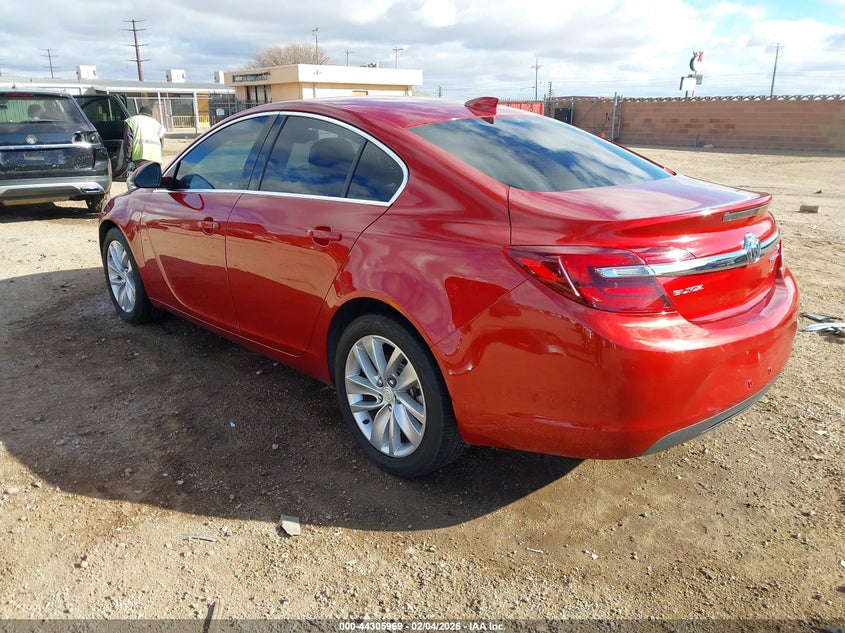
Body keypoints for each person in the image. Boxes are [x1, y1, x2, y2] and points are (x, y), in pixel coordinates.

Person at [123, 106, 167, 175]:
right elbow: (161, 144)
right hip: (155, 159)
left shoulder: (132, 121)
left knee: (139, 182)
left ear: (140, 113)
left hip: (140, 158)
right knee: (152, 182)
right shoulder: (157, 124)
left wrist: (127, 159)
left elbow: (128, 143)